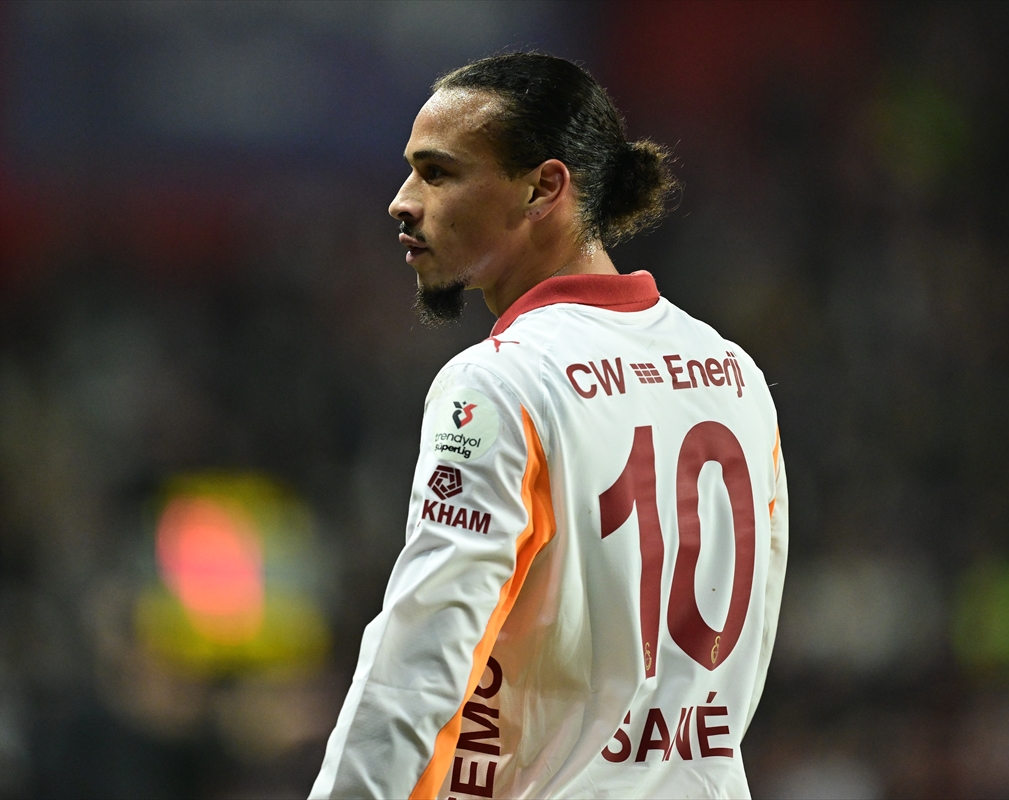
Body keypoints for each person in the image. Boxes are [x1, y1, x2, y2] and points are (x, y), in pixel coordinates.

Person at [310, 53, 787, 800]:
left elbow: (422, 657)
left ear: (543, 188)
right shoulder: (734, 374)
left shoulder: (502, 383)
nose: (402, 202)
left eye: (438, 174)